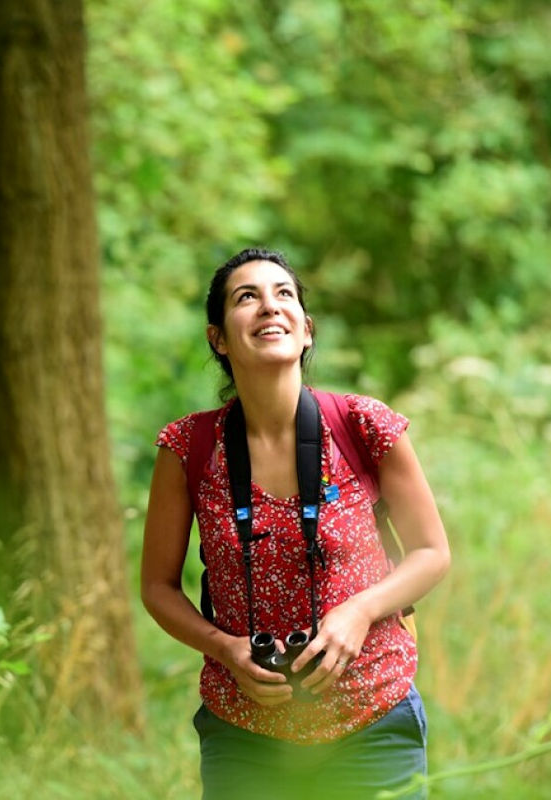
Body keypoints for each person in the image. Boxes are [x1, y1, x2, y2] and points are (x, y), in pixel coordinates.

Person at [141, 248, 450, 800]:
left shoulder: (364, 424)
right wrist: (225, 649)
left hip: (373, 722)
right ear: (218, 338)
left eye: (284, 294)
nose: (269, 307)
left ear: (306, 331)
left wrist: (359, 612)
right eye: (247, 297)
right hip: (245, 736)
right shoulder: (188, 446)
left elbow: (431, 552)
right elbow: (158, 587)